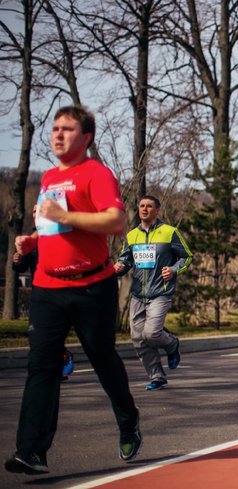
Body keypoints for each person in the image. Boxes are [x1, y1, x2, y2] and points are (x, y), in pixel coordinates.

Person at [6, 105, 141, 475]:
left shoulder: (96, 174)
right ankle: (32, 450)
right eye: (55, 129)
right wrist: (33, 241)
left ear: (86, 138)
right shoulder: (49, 176)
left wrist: (62, 216)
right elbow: (53, 227)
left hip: (91, 287)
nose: (58, 135)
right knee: (42, 367)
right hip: (48, 287)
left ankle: (128, 420)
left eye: (67, 129)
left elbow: (116, 221)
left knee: (102, 359)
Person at [114, 195, 193, 390]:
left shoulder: (170, 232)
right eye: (141, 205)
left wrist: (174, 270)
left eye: (149, 206)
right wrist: (120, 266)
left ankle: (172, 344)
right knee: (138, 338)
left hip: (161, 292)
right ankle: (156, 376)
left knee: (151, 333)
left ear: (157, 210)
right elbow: (126, 260)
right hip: (138, 293)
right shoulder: (132, 235)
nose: (144, 209)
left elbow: (187, 257)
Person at [12, 209, 75, 383]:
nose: (35, 213)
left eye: (38, 209)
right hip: (39, 293)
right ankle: (58, 361)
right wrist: (17, 261)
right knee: (39, 335)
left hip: (61, 291)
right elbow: (21, 266)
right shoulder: (31, 239)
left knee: (54, 334)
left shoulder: (60, 233)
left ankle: (60, 362)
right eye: (32, 211)